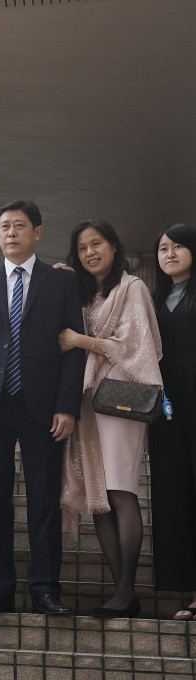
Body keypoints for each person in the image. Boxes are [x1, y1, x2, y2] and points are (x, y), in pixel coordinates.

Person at [0, 199, 86, 616]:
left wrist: (67, 406)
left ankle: (46, 589)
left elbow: (73, 350)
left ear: (38, 232)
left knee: (44, 498)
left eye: (20, 226)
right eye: (5, 226)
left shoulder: (61, 283)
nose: (11, 232)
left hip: (43, 408)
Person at [57, 220, 162, 618]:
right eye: (82, 248)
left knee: (120, 491)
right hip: (87, 402)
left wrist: (81, 340)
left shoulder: (131, 288)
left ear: (114, 247)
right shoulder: (86, 294)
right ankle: (123, 595)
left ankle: (125, 591)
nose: (89, 253)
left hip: (122, 400)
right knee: (98, 498)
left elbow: (139, 348)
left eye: (96, 244)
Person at [148, 223, 196, 621]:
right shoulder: (155, 298)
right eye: (163, 248)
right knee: (175, 492)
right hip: (167, 406)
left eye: (178, 247)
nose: (170, 254)